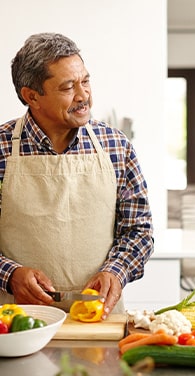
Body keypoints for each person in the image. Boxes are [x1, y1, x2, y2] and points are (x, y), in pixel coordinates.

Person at [0, 33, 154, 318]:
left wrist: (116, 272)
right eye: (68, 87)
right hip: (15, 323)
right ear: (31, 96)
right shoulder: (1, 147)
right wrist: (9, 274)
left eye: (85, 81)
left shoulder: (116, 146)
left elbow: (138, 232)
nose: (83, 96)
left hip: (99, 321)